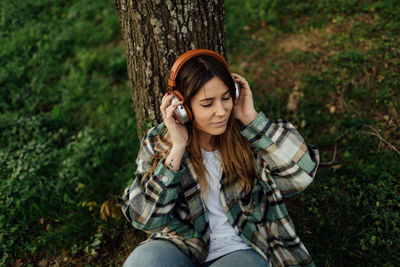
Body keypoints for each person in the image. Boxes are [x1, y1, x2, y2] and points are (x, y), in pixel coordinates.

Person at [121, 49, 319, 267]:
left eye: (226, 97)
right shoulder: (159, 141)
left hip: (242, 248)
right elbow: (143, 218)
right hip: (182, 245)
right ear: (182, 108)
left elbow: (302, 175)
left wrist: (251, 118)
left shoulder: (251, 136)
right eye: (207, 103)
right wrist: (177, 149)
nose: (222, 111)